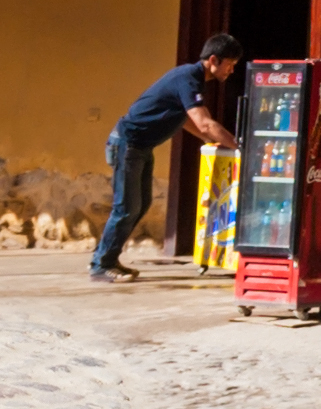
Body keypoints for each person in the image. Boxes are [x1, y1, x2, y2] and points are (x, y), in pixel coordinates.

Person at [93, 34, 247, 279]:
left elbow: (186, 120)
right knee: (126, 208)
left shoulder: (192, 79)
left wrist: (212, 142)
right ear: (214, 60)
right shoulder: (187, 78)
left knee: (140, 205)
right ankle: (101, 265)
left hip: (141, 148)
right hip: (128, 144)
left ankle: (108, 258)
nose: (231, 70)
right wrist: (240, 147)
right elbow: (205, 123)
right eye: (230, 64)